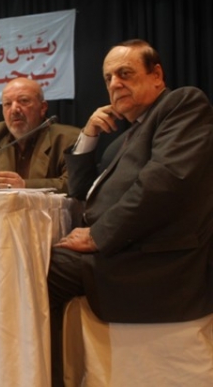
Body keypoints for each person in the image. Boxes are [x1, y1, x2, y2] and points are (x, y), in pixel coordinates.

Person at [47, 39, 213, 386]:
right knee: (31, 260)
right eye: (108, 78)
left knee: (41, 271)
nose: (115, 84)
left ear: (156, 76)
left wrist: (97, 236)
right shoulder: (128, 135)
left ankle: (46, 379)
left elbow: (165, 182)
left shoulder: (183, 104)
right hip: (127, 247)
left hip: (153, 260)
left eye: (125, 73)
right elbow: (81, 191)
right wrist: (89, 134)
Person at [0, 77, 80, 192]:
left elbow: (74, 184)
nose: (14, 110)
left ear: (43, 108)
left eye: (24, 101)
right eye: (8, 104)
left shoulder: (68, 139)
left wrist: (25, 185)